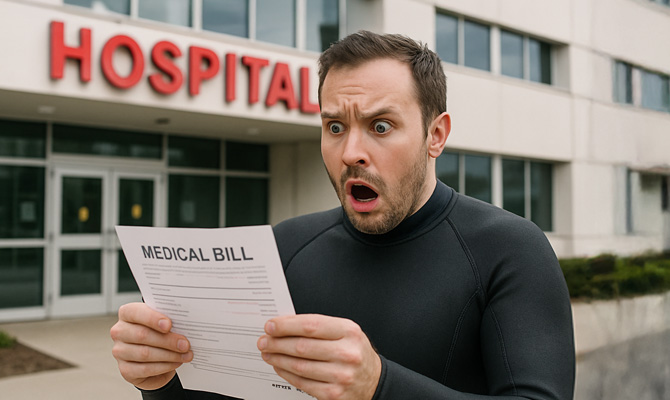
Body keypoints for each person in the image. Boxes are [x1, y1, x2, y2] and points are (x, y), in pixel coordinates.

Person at [109, 30, 576, 400]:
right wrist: (160, 381)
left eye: (380, 126)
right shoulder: (284, 247)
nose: (352, 152)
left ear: (436, 135)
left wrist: (380, 387)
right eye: (335, 126)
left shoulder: (509, 248)